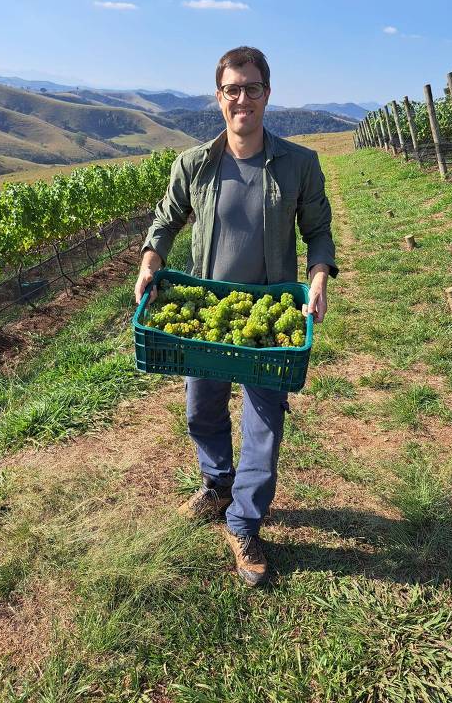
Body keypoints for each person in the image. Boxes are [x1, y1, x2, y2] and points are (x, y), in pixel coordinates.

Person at [134, 46, 337, 586]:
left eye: (251, 88)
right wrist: (151, 260)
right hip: (207, 317)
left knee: (264, 425)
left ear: (267, 94)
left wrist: (318, 275)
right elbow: (166, 220)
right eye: (231, 89)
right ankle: (217, 481)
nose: (241, 98)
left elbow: (318, 230)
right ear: (218, 97)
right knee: (202, 411)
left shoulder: (299, 164)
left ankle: (244, 521)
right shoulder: (195, 164)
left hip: (267, 318)